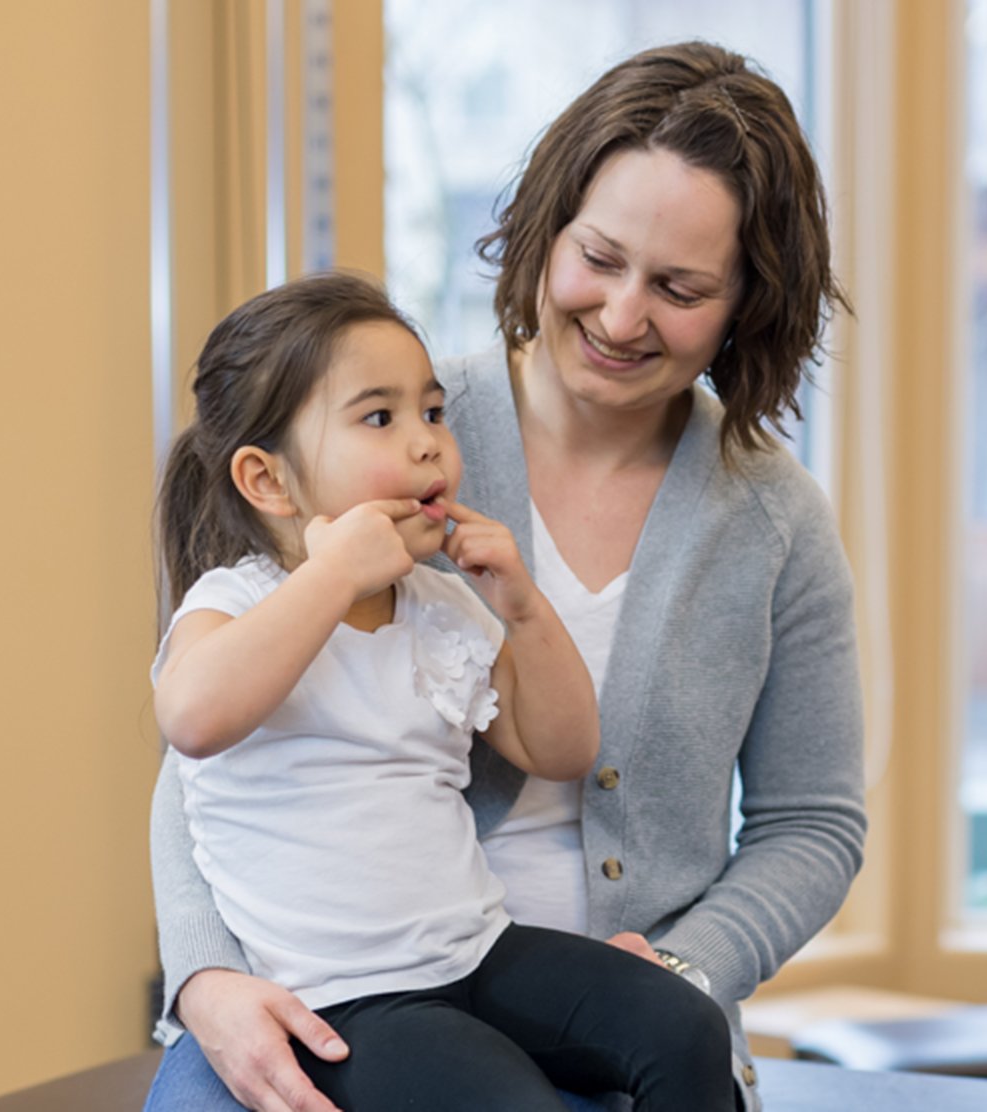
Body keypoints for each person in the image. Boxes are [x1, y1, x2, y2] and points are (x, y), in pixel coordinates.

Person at [146, 42, 863, 1112]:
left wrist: (690, 967)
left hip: (575, 994)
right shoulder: (387, 436)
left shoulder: (773, 521)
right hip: (318, 989)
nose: (623, 317)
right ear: (547, 228)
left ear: (742, 305)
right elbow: (212, 747)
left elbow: (813, 822)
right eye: (600, 257)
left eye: (679, 287)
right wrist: (205, 977)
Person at [150, 272, 735, 1111]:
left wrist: (523, 607)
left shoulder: (443, 605)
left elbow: (564, 749)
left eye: (433, 411)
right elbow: (192, 719)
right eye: (380, 418)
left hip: (479, 951)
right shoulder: (235, 603)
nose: (428, 442)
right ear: (267, 482)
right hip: (347, 995)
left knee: (683, 1027)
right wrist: (332, 577)